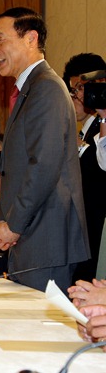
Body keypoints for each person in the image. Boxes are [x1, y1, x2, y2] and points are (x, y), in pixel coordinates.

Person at [0, 7, 90, 293]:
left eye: (0, 40)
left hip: (45, 236)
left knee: (40, 332)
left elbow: (43, 165)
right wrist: (4, 221)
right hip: (32, 234)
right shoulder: (32, 89)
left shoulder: (46, 88)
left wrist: (13, 224)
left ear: (30, 39)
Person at [62, 53, 106, 281]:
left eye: (79, 88)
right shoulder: (86, 128)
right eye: (72, 90)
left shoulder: (101, 123)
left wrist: (79, 148)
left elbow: (99, 171)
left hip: (96, 227)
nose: (75, 96)